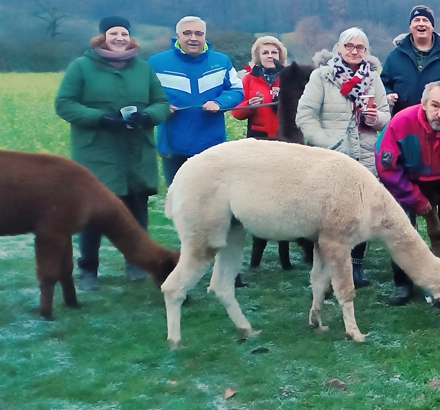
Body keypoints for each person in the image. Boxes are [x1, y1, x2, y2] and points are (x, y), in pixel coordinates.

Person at [55, 16, 170, 291]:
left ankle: (136, 263)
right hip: (97, 153)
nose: (119, 38)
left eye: (124, 33)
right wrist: (101, 119)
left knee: (136, 213)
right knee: (93, 214)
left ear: (130, 37)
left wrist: (146, 116)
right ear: (102, 37)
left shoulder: (143, 69)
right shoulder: (82, 67)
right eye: (113, 33)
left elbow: (162, 103)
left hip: (136, 154)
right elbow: (64, 104)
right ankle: (88, 269)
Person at [295, 27, 392, 288]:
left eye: (360, 47)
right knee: (330, 214)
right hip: (331, 158)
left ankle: (356, 266)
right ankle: (326, 267)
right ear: (339, 48)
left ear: (366, 52)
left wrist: (376, 119)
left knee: (361, 213)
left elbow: (386, 117)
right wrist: (329, 143)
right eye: (349, 46)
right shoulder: (322, 77)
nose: (354, 51)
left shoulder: (373, 79)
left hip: (365, 156)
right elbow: (304, 116)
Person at [377, 81, 440, 305]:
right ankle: (402, 282)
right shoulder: (401, 122)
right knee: (400, 226)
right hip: (409, 178)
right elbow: (387, 167)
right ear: (423, 104)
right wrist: (416, 199)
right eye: (435, 106)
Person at [150, 16, 244, 185]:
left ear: (205, 36)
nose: (193, 38)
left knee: (212, 202)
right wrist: (160, 107)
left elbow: (237, 90)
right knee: (180, 200)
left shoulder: (222, 61)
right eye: (187, 33)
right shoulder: (156, 63)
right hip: (173, 147)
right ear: (177, 36)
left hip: (212, 146)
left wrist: (219, 103)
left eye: (199, 34)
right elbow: (145, 95)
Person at [381, 5, 440, 114]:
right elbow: (383, 84)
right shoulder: (395, 56)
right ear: (410, 26)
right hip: (405, 120)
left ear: (432, 27)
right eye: (416, 20)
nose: (421, 23)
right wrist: (388, 93)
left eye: (425, 20)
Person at [231, 36, 288, 139]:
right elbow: (236, 113)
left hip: (286, 136)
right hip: (258, 137)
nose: (270, 56)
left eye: (274, 52)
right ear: (258, 56)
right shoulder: (249, 79)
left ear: (280, 55)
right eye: (265, 53)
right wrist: (249, 105)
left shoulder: (291, 77)